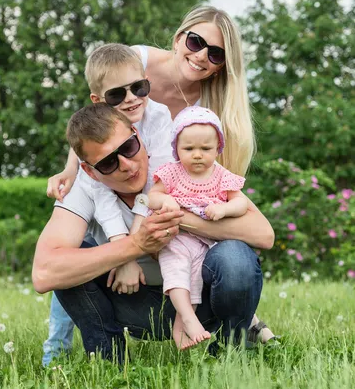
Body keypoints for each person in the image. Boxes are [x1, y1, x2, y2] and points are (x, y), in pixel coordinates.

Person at [47, 5, 275, 344]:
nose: (201, 57)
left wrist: (176, 214)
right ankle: (58, 345)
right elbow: (94, 125)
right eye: (197, 42)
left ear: (222, 67)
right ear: (179, 37)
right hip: (113, 173)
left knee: (200, 246)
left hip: (161, 189)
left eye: (215, 55)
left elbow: (203, 181)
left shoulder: (206, 108)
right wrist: (71, 168)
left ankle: (229, 323)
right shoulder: (134, 61)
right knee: (78, 236)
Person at [33, 104, 274, 362]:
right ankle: (109, 361)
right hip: (131, 302)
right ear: (91, 171)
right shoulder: (83, 188)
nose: (126, 165)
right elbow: (45, 273)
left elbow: (264, 235)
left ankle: (230, 354)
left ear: (137, 134)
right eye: (108, 162)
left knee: (235, 256)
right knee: (71, 261)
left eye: (128, 147)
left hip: (202, 298)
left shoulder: (180, 165)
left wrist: (181, 219)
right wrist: (134, 247)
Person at [41, 43, 173, 363]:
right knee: (74, 255)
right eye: (117, 94)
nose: (131, 98)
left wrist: (132, 248)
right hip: (115, 236)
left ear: (146, 81)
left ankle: (236, 327)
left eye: (139, 87)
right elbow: (87, 156)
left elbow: (158, 181)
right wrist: (71, 169)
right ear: (99, 101)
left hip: (154, 233)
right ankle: (58, 350)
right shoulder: (92, 158)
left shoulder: (157, 117)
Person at [145, 106, 248, 349]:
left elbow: (241, 203)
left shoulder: (221, 175)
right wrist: (166, 200)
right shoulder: (172, 172)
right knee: (176, 270)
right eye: (188, 149)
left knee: (194, 281)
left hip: (206, 241)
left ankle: (181, 328)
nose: (197, 155)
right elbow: (152, 197)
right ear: (176, 148)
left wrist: (223, 209)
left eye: (206, 149)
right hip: (176, 237)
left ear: (218, 148)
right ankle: (190, 321)